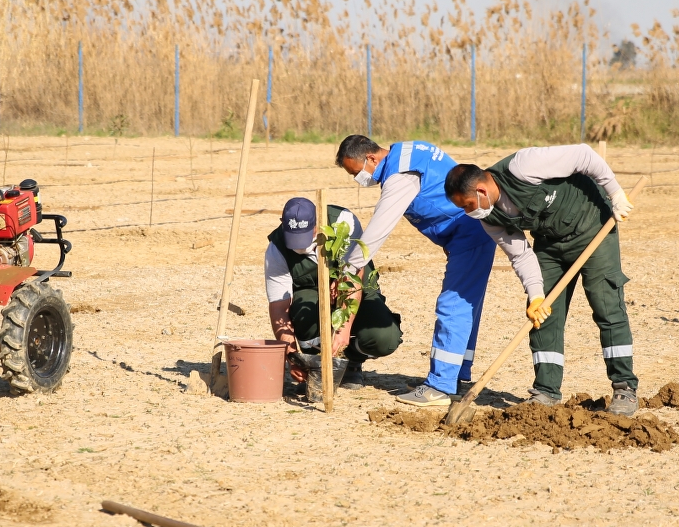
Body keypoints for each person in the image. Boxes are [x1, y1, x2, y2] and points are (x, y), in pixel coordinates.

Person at [443, 144, 639, 415]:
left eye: (467, 205)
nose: (468, 213)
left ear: (481, 191)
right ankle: (546, 392)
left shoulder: (524, 167)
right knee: (543, 314)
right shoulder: (490, 218)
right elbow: (521, 255)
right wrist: (536, 294)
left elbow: (584, 155)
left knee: (606, 305)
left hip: (593, 225)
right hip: (549, 243)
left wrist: (614, 193)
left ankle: (624, 388)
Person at [335, 135, 496, 408]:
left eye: (357, 172)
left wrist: (349, 271)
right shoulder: (408, 152)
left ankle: (439, 386)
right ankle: (457, 376)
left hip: (469, 235)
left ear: (372, 158)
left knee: (452, 306)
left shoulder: (400, 175)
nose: (359, 179)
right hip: (466, 235)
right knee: (466, 307)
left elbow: (379, 229)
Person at [265, 197, 402, 395]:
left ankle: (351, 360)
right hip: (311, 295)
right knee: (305, 305)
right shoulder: (276, 249)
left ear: (317, 224)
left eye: (305, 236)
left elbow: (354, 275)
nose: (299, 246)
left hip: (354, 286)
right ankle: (317, 364)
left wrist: (343, 330)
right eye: (293, 238)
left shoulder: (342, 223)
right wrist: (291, 355)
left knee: (385, 338)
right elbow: (279, 308)